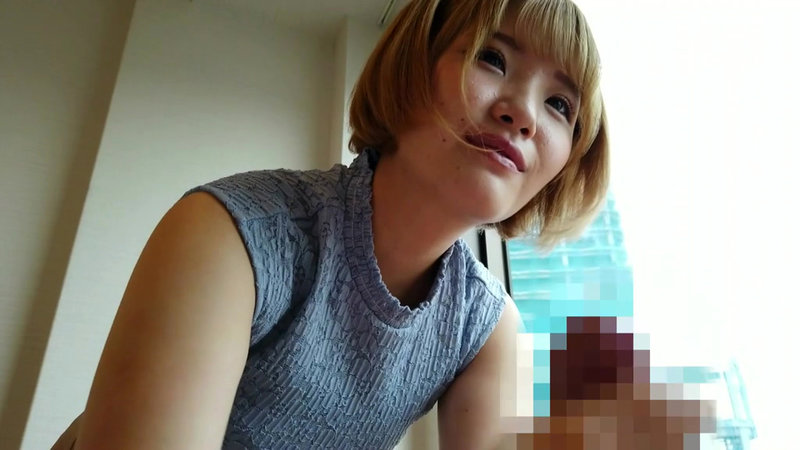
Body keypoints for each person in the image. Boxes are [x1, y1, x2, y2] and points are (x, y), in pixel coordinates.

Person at [55, 0, 609, 448]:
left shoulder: (485, 327)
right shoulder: (234, 233)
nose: (525, 113)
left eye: (560, 104)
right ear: (413, 68)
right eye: (492, 58)